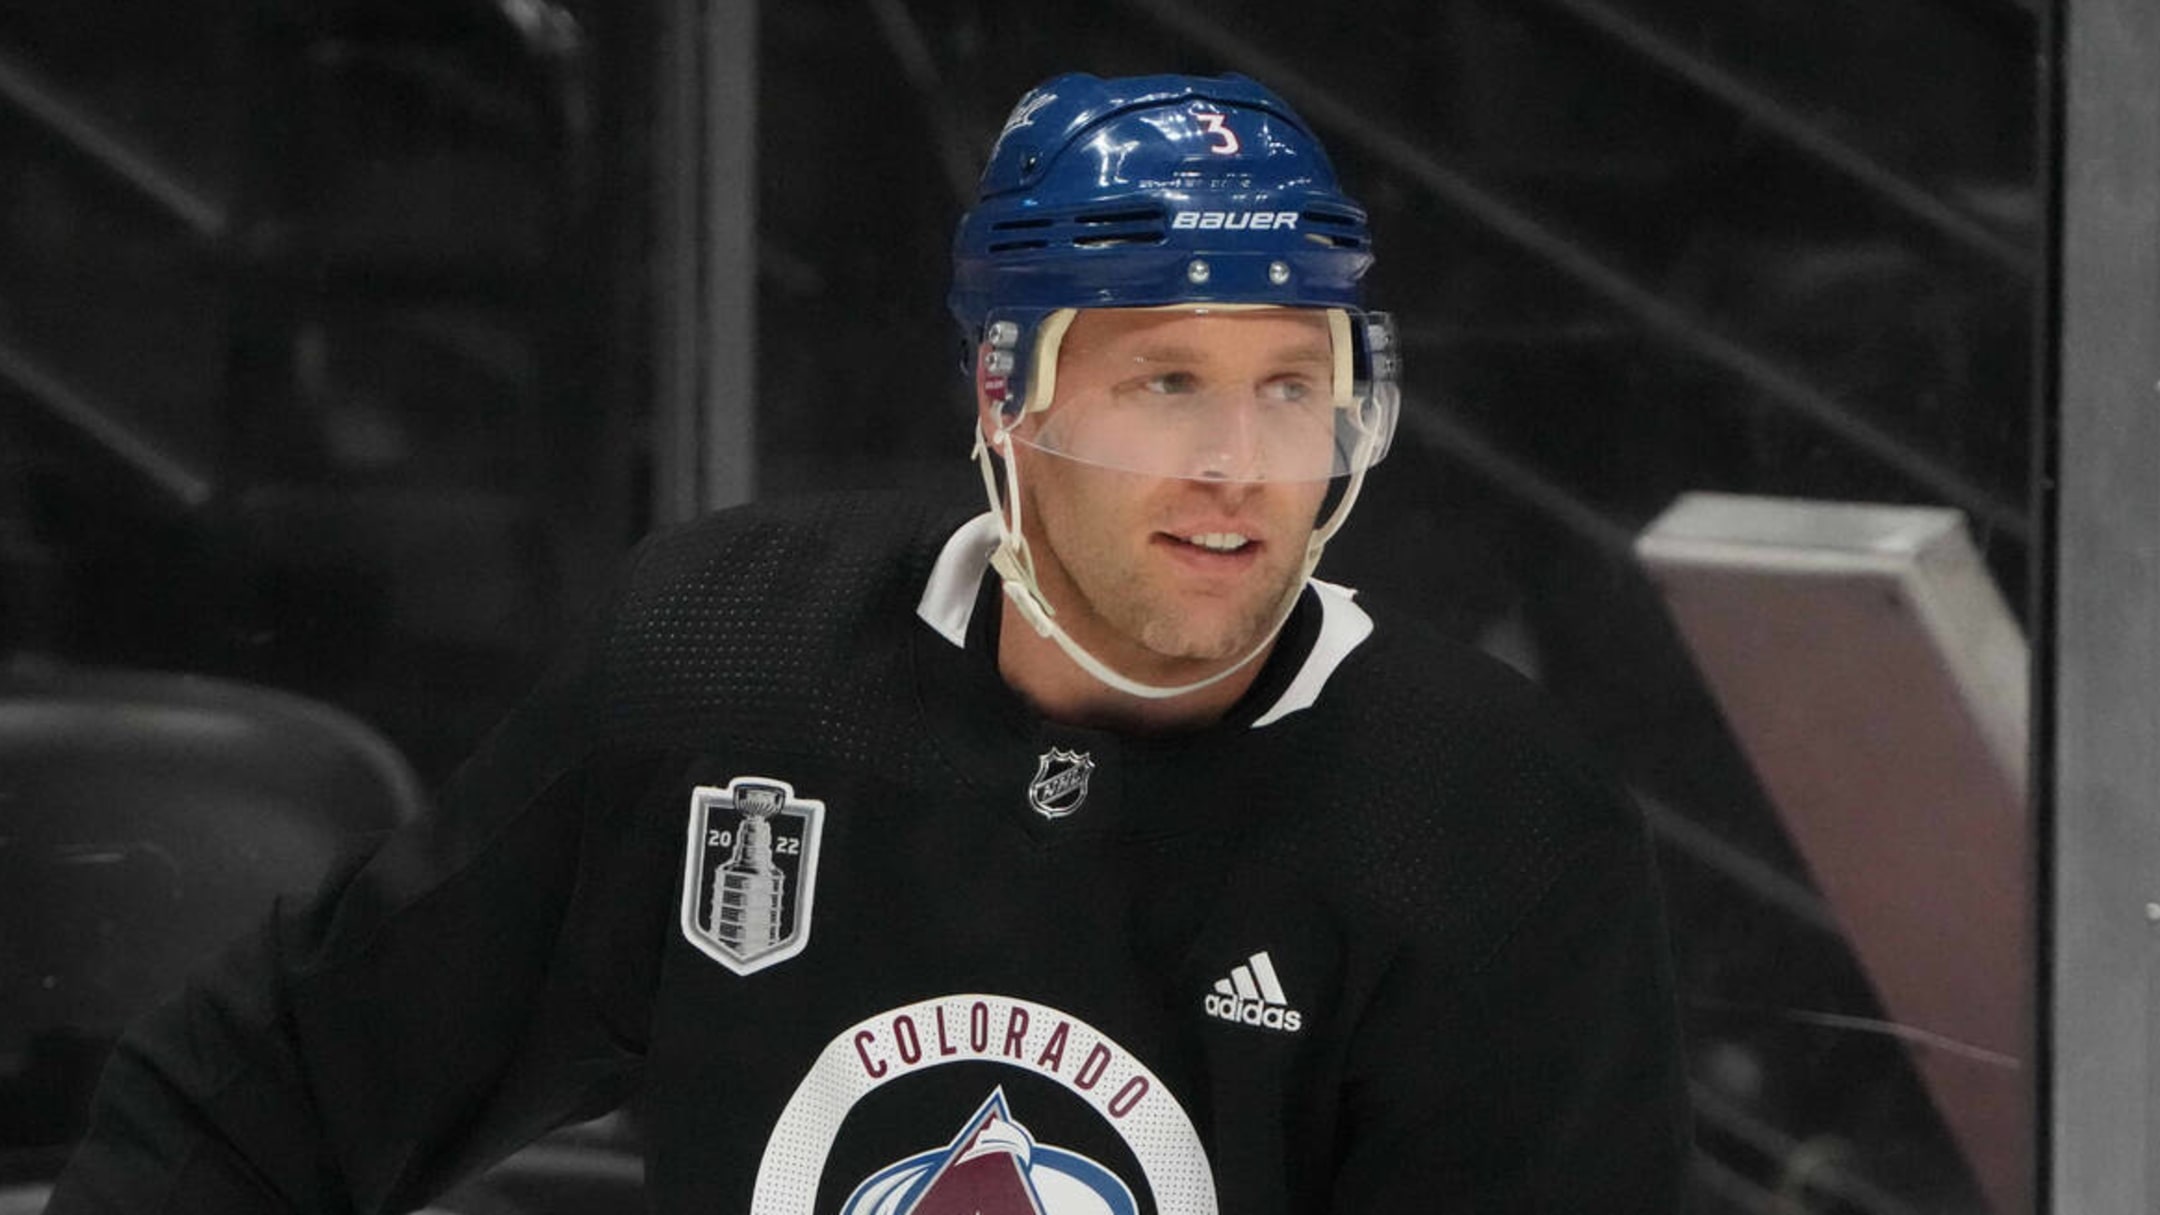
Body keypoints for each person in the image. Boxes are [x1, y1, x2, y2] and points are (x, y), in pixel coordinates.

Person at [50, 72, 1688, 1213]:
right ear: (1005, 397)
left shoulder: (1486, 823)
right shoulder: (737, 664)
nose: (1238, 463)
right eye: (1165, 380)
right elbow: (267, 1099)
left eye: (1289, 386)